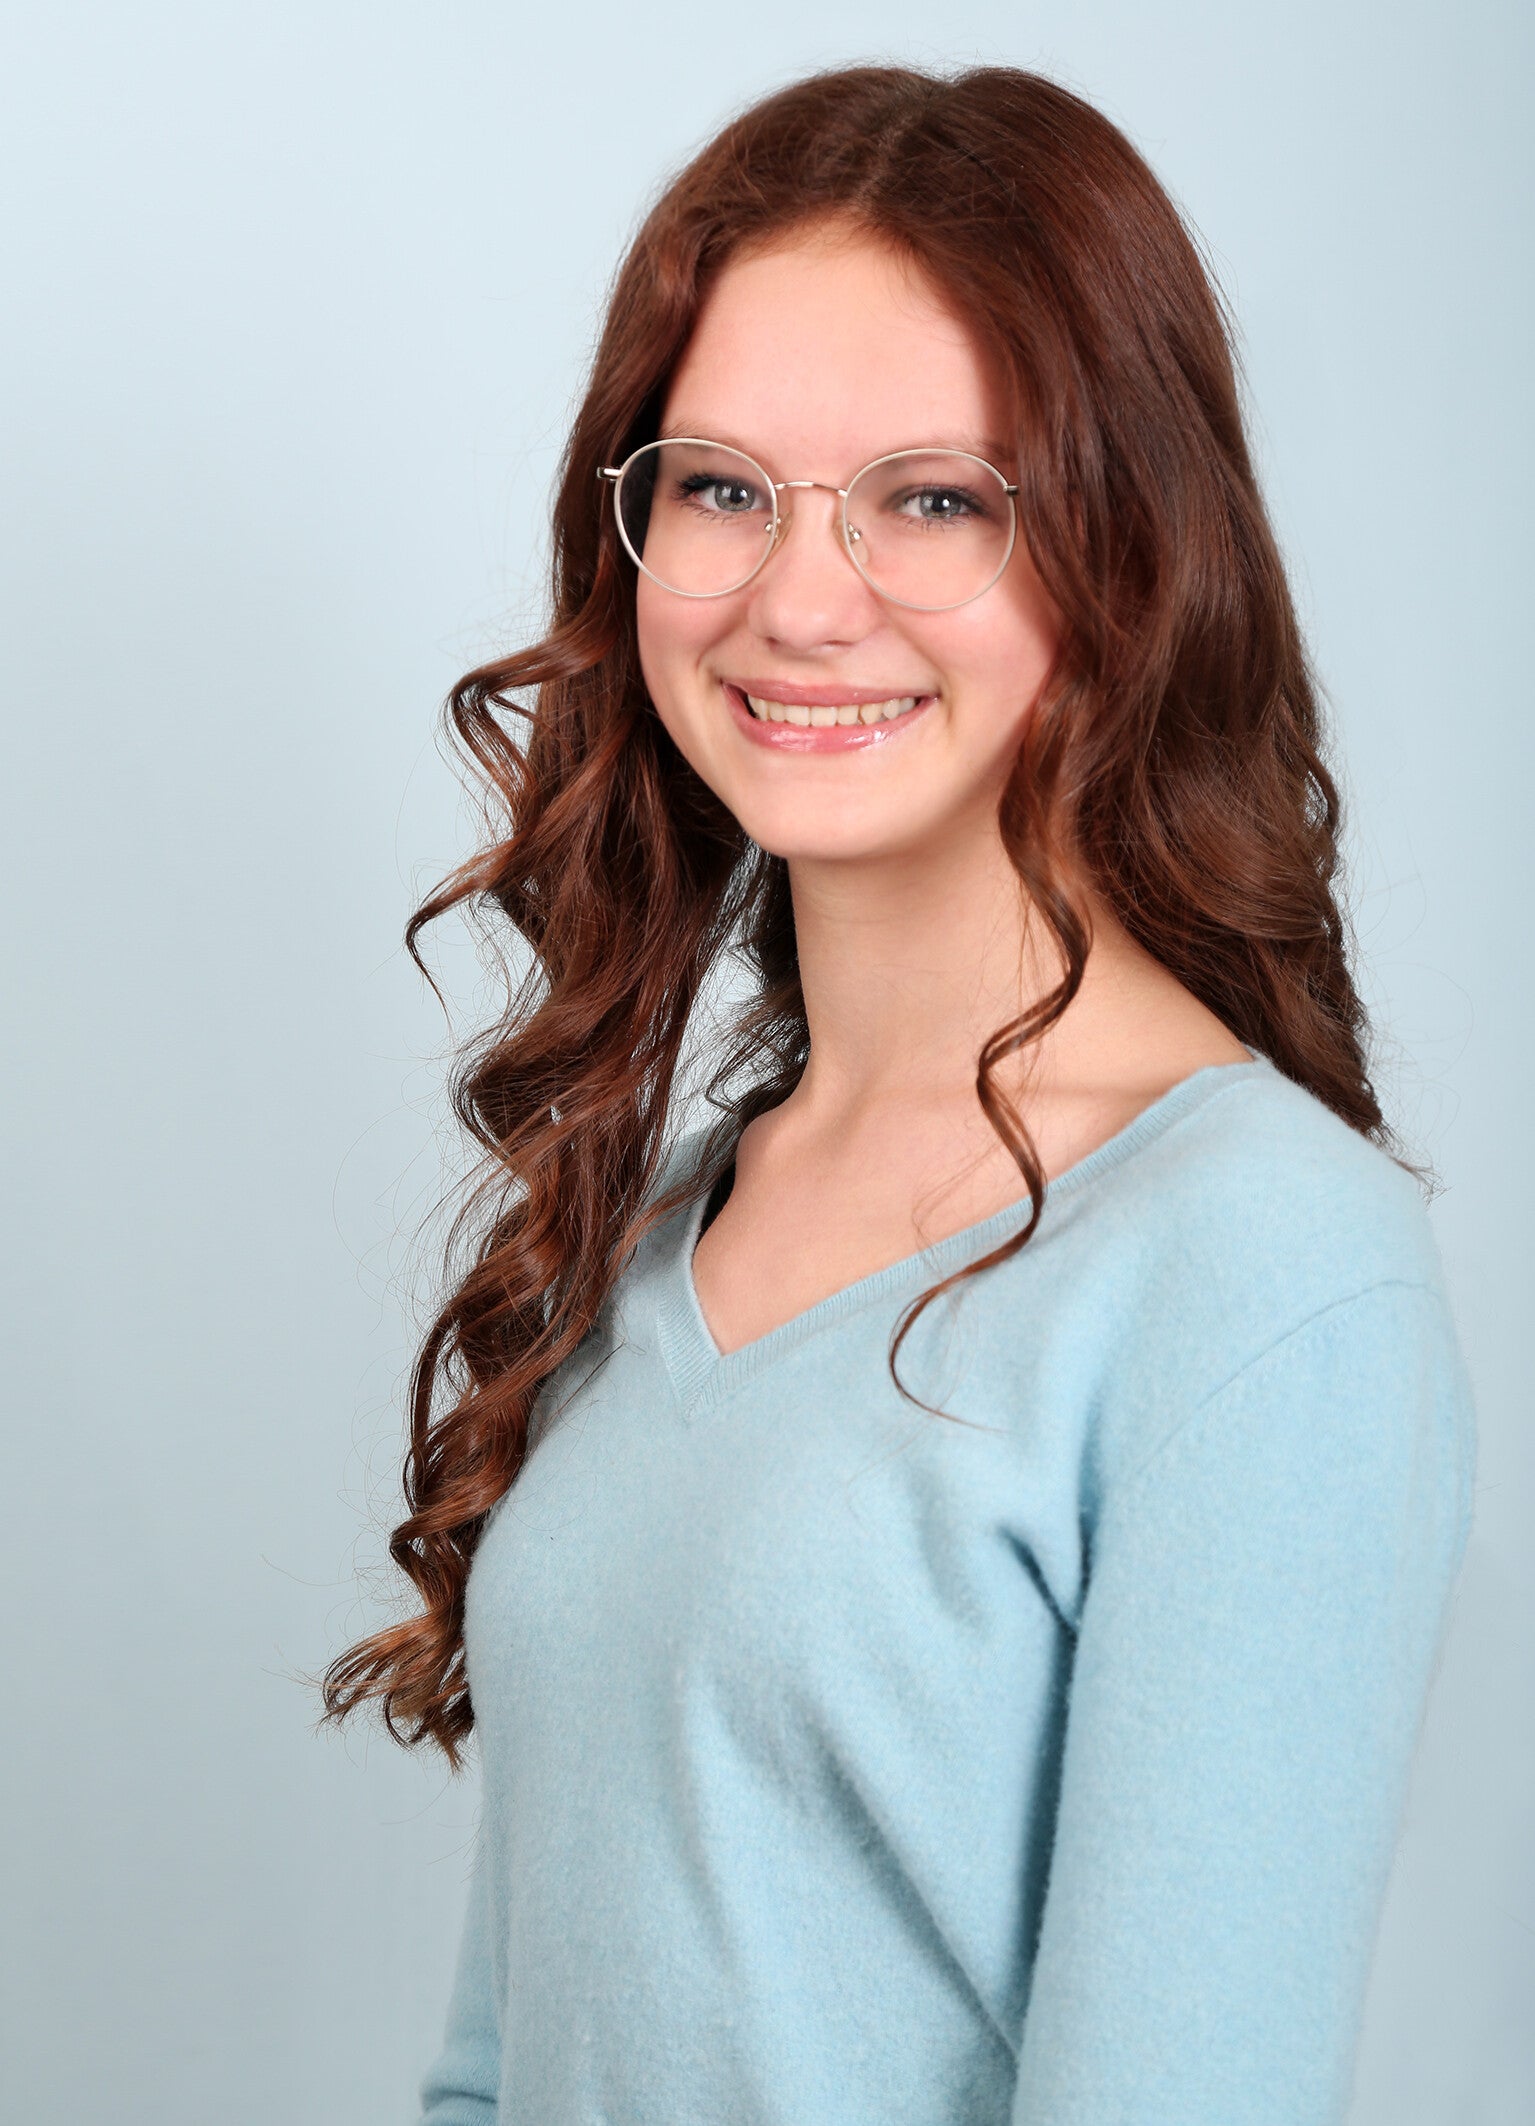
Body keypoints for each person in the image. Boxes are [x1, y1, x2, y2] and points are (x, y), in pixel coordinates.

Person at [321, 63, 1476, 2126]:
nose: (798, 596)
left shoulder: (1267, 1268)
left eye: (933, 497)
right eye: (721, 485)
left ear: (1129, 548)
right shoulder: (662, 1221)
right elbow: (502, 2067)